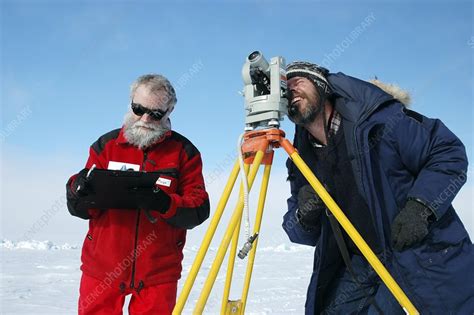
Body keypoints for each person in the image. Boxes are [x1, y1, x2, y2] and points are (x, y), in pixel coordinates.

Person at [282, 62, 473, 314]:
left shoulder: (380, 121)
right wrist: (305, 216)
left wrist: (421, 207)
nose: (291, 89)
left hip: (415, 253)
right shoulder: (300, 158)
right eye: (285, 87)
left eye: (298, 81)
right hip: (358, 264)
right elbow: (299, 233)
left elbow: (447, 152)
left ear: (322, 86)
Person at [66, 74, 210, 315]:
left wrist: (165, 204)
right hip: (103, 269)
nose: (144, 119)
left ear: (169, 110)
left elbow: (198, 209)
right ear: (130, 101)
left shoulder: (184, 152)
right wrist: (77, 190)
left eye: (155, 114)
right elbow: (81, 209)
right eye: (138, 109)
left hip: (157, 272)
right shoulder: (105, 146)